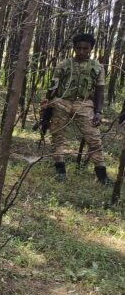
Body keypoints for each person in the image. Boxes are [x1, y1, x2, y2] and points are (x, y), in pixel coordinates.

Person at [43, 33, 112, 184]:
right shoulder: (63, 64)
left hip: (85, 104)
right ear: (74, 48)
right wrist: (47, 103)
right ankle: (60, 170)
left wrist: (98, 112)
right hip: (62, 102)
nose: (81, 52)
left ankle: (102, 176)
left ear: (91, 49)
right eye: (78, 48)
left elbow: (100, 91)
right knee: (57, 137)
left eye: (85, 49)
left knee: (94, 139)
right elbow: (53, 86)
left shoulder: (98, 67)